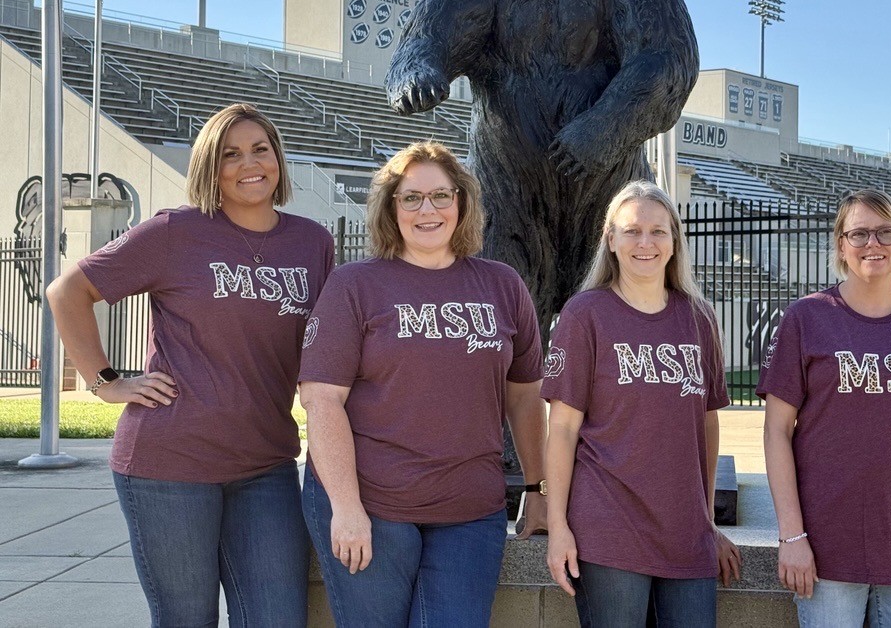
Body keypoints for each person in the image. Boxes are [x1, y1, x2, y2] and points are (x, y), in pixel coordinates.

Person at [47, 103, 335, 627]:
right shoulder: (176, 232)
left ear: (278, 158)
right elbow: (68, 290)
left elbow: (329, 346)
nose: (250, 163)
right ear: (210, 166)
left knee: (277, 618)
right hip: (169, 466)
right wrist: (106, 381)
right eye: (231, 154)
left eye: (260, 149)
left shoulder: (312, 242)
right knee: (187, 619)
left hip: (265, 465)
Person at [299, 141, 546, 628]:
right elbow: (321, 399)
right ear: (391, 208)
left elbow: (525, 397)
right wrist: (346, 509)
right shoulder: (355, 285)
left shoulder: (503, 285)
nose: (427, 209)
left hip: (470, 510)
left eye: (440, 195)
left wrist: (538, 488)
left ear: (462, 202)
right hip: (372, 502)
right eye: (411, 198)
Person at [758, 188, 891, 627]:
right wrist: (792, 534)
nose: (872, 244)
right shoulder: (806, 318)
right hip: (825, 550)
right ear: (840, 245)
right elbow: (777, 431)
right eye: (858, 234)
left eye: (885, 232)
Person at [543, 180, 741, 628]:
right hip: (608, 529)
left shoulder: (699, 318)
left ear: (674, 241)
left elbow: (706, 427)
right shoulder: (585, 314)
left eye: (658, 231)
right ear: (610, 240)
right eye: (632, 231)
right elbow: (563, 431)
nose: (645, 242)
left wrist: (709, 524)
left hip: (686, 534)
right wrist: (558, 528)